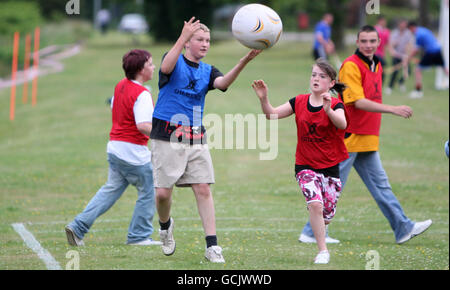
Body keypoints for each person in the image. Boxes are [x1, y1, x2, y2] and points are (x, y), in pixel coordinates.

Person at [299, 25, 432, 245]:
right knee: (332, 186)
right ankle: (311, 232)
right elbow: (357, 101)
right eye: (364, 41)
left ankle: (403, 228)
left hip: (368, 137)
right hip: (349, 137)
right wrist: (393, 109)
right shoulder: (351, 65)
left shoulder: (378, 63)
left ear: (378, 42)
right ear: (357, 43)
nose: (368, 45)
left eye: (372, 41)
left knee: (381, 186)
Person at [150, 17, 261, 263]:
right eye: (199, 39)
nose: (205, 44)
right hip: (166, 133)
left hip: (195, 135)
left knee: (203, 188)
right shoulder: (174, 59)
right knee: (162, 195)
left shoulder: (208, 70)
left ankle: (212, 246)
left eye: (208, 41)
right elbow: (166, 68)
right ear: (188, 42)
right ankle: (165, 226)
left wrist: (244, 61)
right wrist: (182, 36)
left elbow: (222, 84)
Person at [252, 58, 348, 264]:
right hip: (304, 165)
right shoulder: (299, 101)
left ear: (331, 83)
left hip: (330, 168)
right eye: (314, 74)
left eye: (322, 76)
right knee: (315, 205)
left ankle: (323, 219)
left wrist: (328, 110)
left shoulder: (336, 103)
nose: (316, 78)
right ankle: (323, 251)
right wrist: (264, 99)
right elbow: (272, 115)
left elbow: (343, 124)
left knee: (326, 215)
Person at [65, 49, 159, 246]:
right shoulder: (142, 93)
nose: (154, 67)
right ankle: (139, 236)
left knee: (109, 192)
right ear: (141, 70)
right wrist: (166, 136)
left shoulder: (120, 85)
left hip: (115, 149)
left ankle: (78, 227)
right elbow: (143, 125)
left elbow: (116, 107)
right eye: (150, 64)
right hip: (133, 154)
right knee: (150, 189)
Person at [407, 21, 449, 98]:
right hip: (438, 50)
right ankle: (418, 91)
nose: (410, 32)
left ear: (412, 27)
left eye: (410, 30)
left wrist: (408, 58)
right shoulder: (423, 29)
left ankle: (418, 91)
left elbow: (416, 50)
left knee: (418, 70)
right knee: (444, 68)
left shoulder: (418, 34)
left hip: (431, 52)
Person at [386, 19, 414, 95]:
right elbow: (390, 45)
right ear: (399, 24)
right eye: (402, 24)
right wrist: (393, 50)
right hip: (396, 55)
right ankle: (390, 87)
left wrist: (408, 54)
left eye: (404, 24)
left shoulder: (408, 33)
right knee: (395, 72)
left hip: (405, 56)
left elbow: (410, 44)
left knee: (408, 71)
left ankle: (401, 83)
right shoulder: (394, 33)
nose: (403, 26)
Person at [374, 16, 390, 84]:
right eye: (383, 21)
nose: (384, 23)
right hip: (374, 53)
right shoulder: (374, 29)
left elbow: (386, 44)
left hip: (381, 54)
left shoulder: (387, 31)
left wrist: (385, 54)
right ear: (379, 21)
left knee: (382, 68)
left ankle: (380, 83)